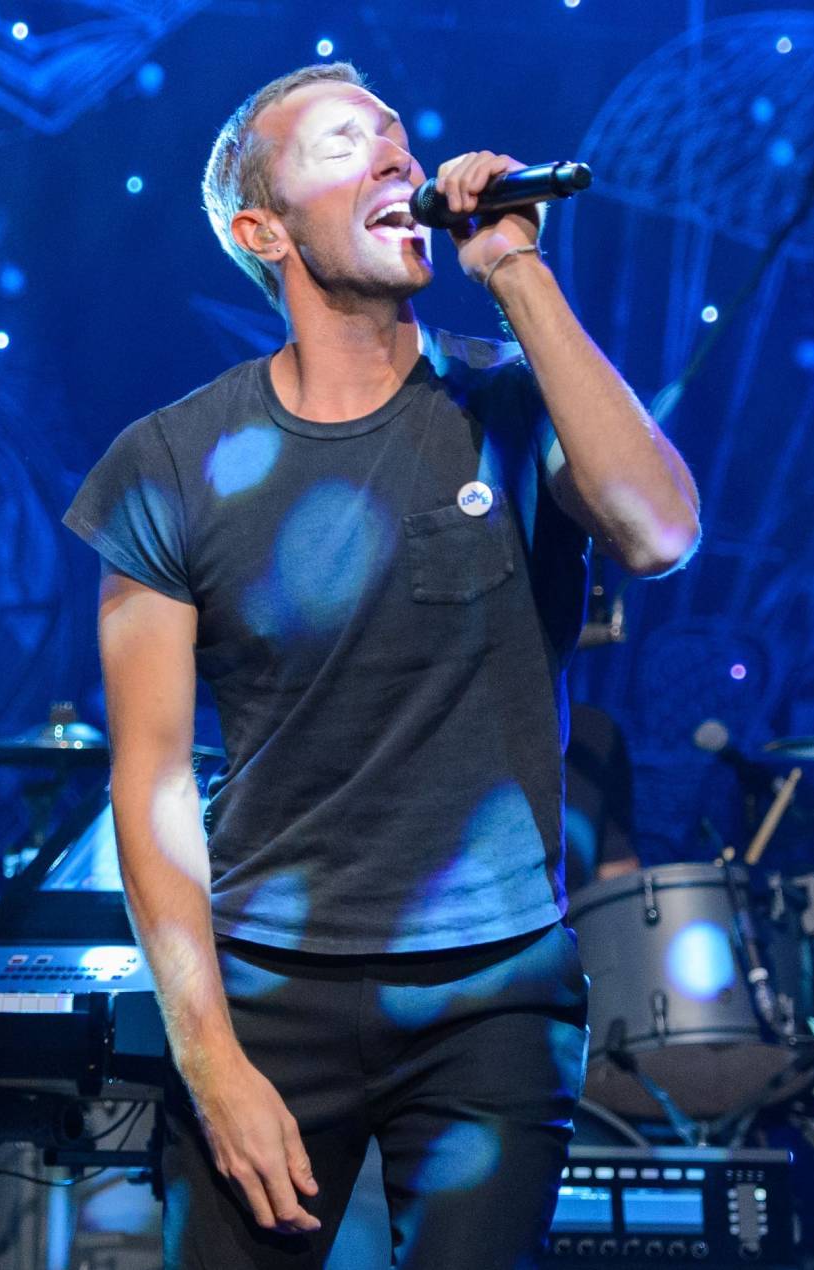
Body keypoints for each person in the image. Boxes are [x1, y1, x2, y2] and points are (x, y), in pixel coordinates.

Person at [64, 62, 699, 1268]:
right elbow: (147, 786)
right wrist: (209, 1064)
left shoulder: (508, 406)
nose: (397, 162)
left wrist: (516, 267)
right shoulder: (168, 463)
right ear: (262, 230)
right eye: (345, 145)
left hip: (492, 991)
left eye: (400, 142)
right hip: (263, 990)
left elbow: (658, 532)